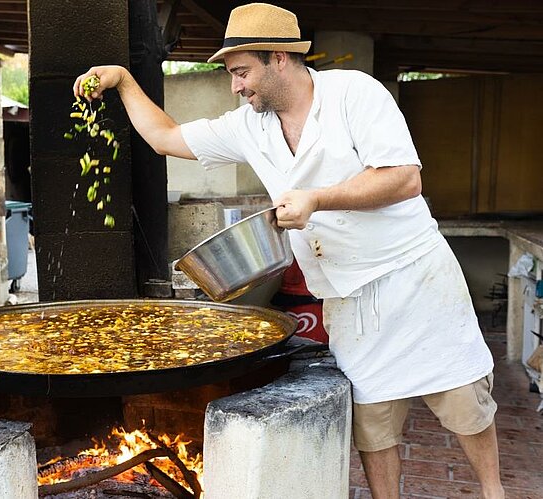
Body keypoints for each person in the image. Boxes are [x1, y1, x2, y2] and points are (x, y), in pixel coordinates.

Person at [73, 3, 504, 498]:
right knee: (372, 421)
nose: (235, 86)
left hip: (413, 277)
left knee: (463, 403)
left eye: (241, 72)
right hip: (345, 294)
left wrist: (318, 199)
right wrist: (124, 80)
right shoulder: (248, 125)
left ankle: (495, 493)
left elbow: (404, 178)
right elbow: (165, 137)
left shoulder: (354, 94)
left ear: (279, 58)